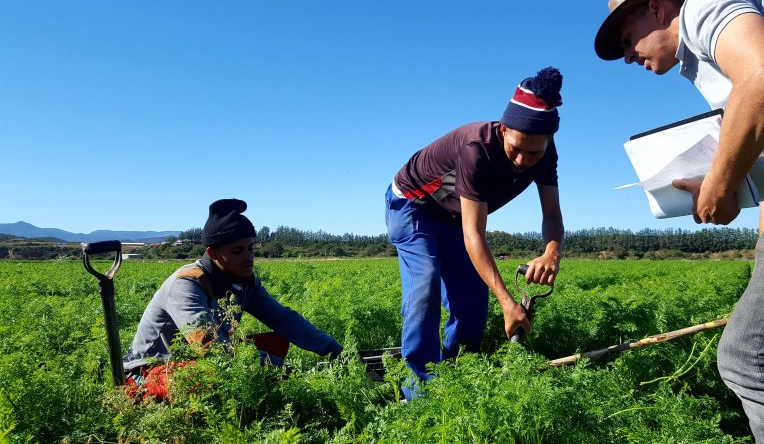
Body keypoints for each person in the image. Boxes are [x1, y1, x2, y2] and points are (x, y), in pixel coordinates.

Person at [595, 0, 764, 443]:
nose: (627, 57)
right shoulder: (718, 72)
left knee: (755, 354)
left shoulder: (706, 3)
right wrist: (762, 288)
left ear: (658, 7)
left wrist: (719, 182)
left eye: (627, 40)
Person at [386, 67, 565, 399]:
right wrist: (508, 302)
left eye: (534, 152)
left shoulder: (545, 152)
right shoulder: (476, 147)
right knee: (424, 285)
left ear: (549, 141)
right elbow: (475, 234)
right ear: (503, 128)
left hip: (454, 216)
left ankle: (458, 375)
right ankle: (420, 394)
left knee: (471, 304)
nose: (524, 160)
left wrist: (551, 252)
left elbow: (552, 215)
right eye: (516, 148)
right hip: (413, 205)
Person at [123, 198, 343, 397]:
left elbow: (283, 319)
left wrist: (335, 351)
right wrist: (287, 373)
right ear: (213, 253)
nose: (248, 258)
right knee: (212, 374)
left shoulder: (243, 280)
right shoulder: (187, 285)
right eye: (237, 251)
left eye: (251, 248)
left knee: (274, 342)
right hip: (151, 370)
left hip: (194, 360)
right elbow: (210, 347)